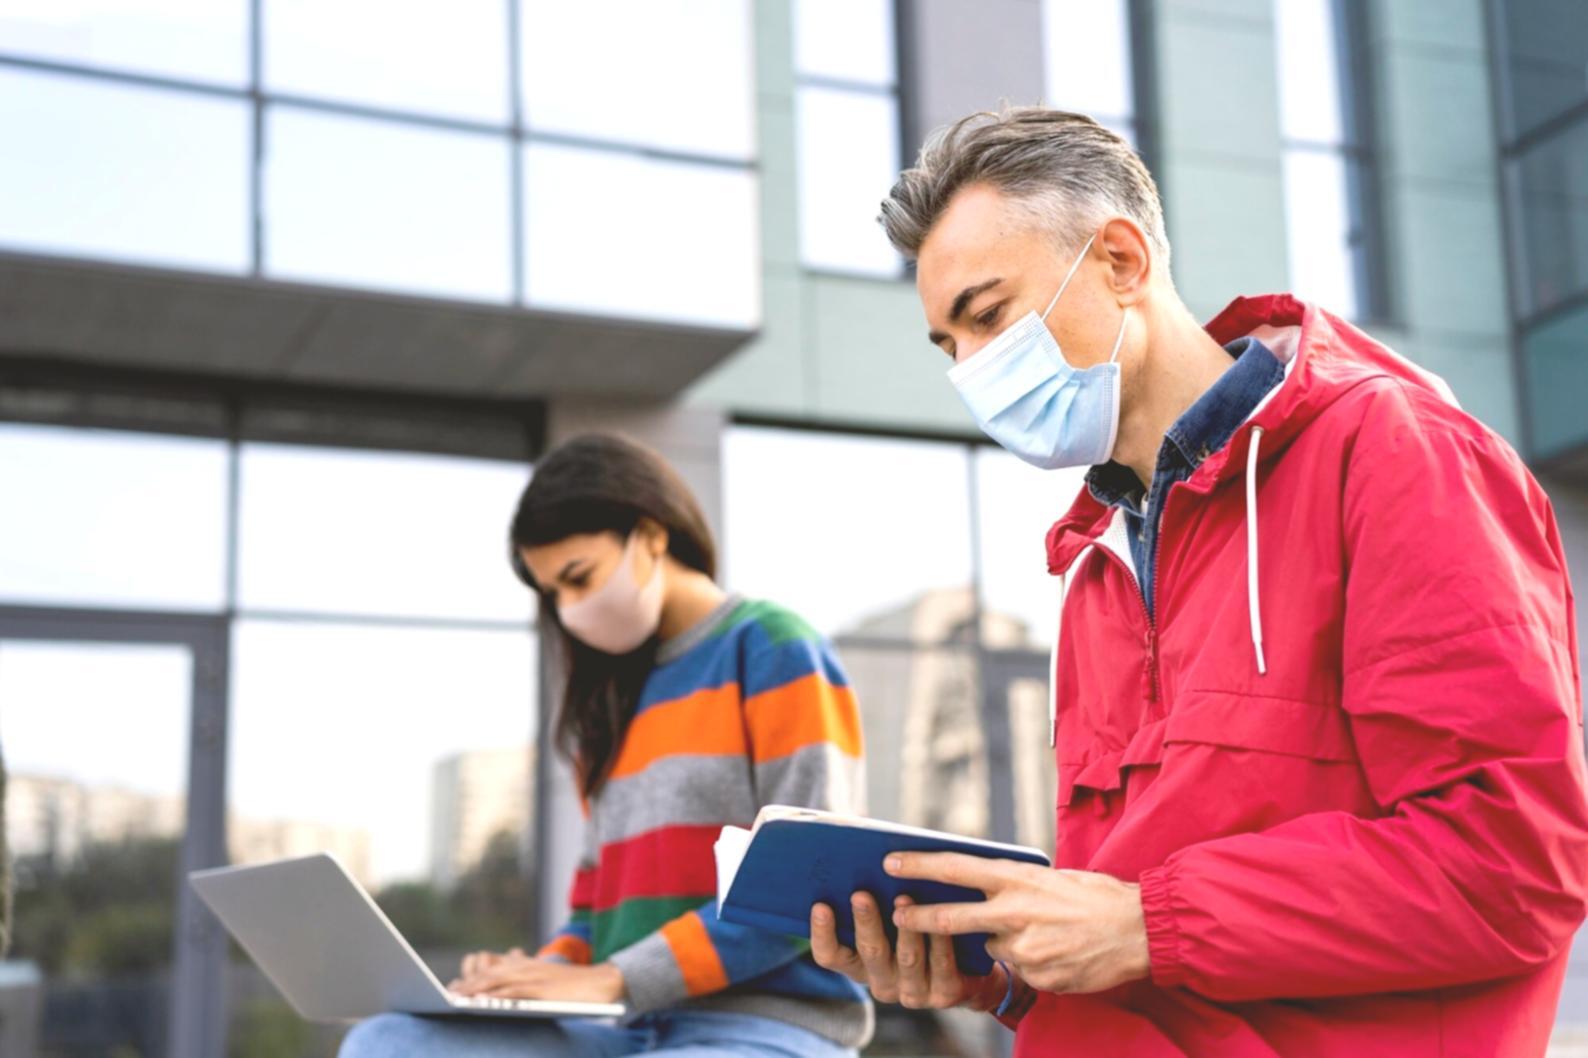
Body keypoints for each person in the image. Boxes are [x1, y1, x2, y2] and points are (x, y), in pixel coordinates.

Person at [810, 106, 1588, 1057]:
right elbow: (1131, 930)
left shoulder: (1393, 454)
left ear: (1123, 262)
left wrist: (1144, 925)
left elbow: (1515, 863)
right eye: (949, 345)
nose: (972, 370)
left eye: (988, 315)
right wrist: (1009, 971)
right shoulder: (1095, 562)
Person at [341, 434, 872, 1058]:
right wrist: (527, 978)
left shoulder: (774, 649)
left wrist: (614, 978)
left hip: (764, 1024)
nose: (569, 610)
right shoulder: (611, 702)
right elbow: (595, 920)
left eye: (578, 577)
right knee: (387, 1043)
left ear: (650, 534)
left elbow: (809, 887)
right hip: (623, 1024)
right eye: (553, 595)